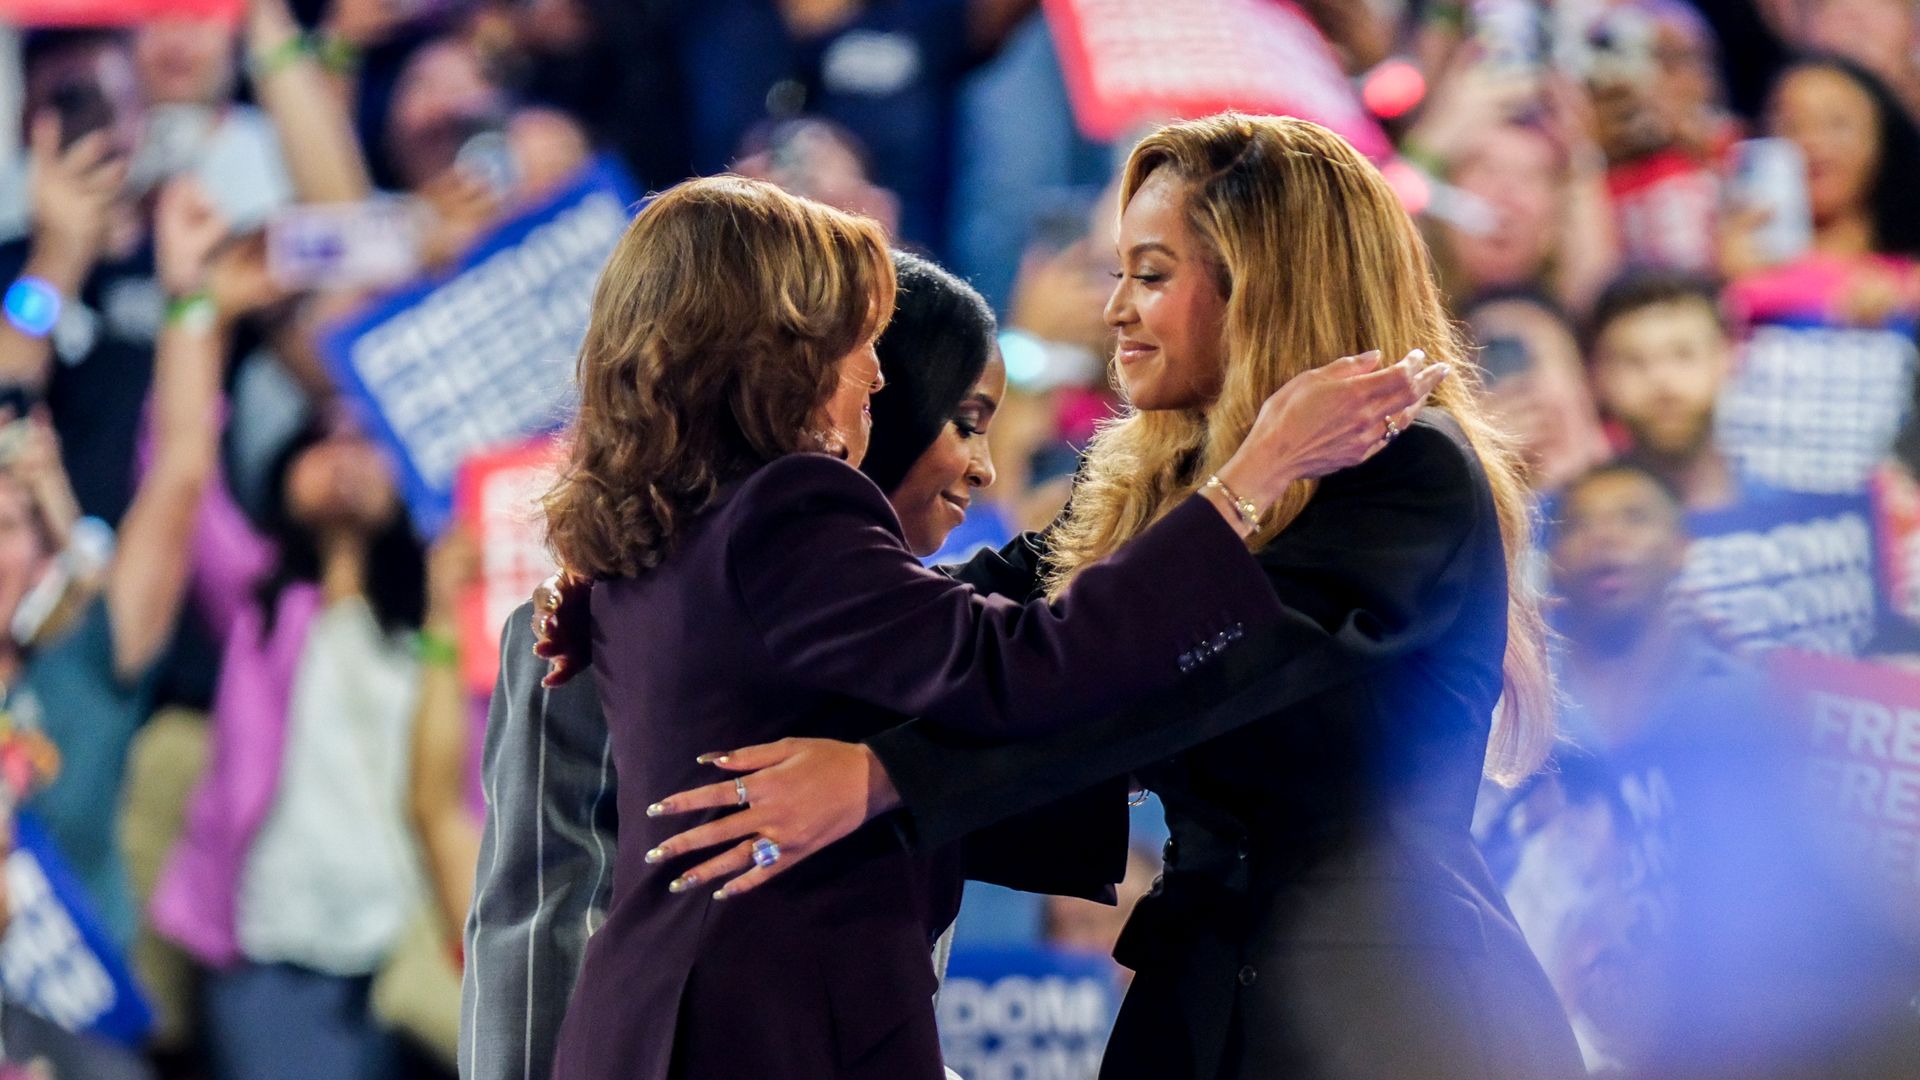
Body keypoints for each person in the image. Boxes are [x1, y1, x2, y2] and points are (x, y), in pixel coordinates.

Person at [628, 114, 1582, 1080]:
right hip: (1195, 997)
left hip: (1395, 1011)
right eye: (1117, 272)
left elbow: (1166, 689)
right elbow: (962, 629)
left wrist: (885, 779)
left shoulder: (1404, 468)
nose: (1115, 309)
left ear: (1266, 286)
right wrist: (658, 587)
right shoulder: (1155, 479)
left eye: (1152, 275)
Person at [457, 249, 1024, 1080]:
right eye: (964, 420)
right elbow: (539, 910)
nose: (985, 466)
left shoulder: (933, 634)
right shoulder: (591, 616)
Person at [1587, 269, 1747, 513]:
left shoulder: (1792, 518)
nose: (1662, 383)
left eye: (1683, 354)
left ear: (1728, 357)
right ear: (1598, 375)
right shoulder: (1561, 525)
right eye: (1633, 360)